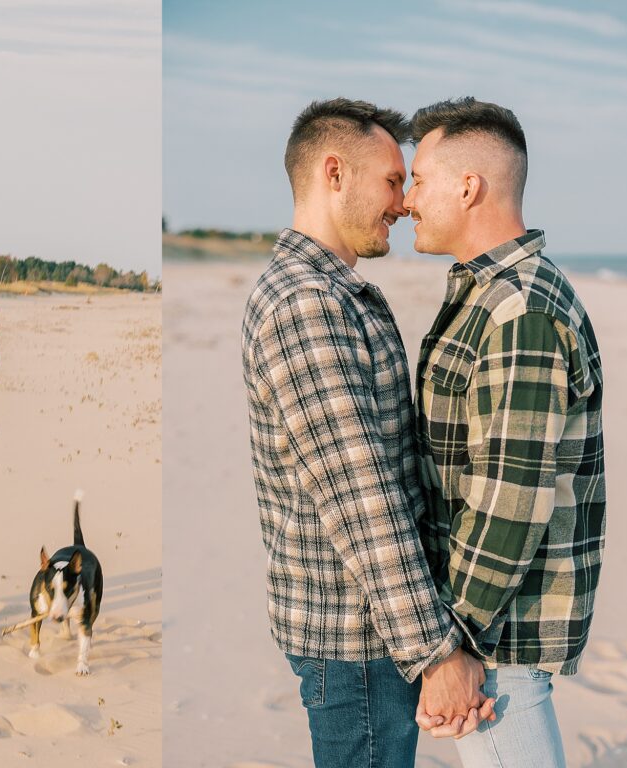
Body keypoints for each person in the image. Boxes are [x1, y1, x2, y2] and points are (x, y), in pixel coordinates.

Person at [241, 98, 493, 768]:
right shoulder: (307, 304)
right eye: (391, 180)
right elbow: (360, 496)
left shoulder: (329, 291)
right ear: (333, 174)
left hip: (369, 629)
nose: (403, 202)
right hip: (359, 638)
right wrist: (436, 654)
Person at [404, 97, 606, 766]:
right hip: (487, 629)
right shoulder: (489, 296)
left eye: (419, 180)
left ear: (469, 187)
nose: (409, 200)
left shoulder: (518, 311)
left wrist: (451, 646)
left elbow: (509, 502)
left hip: (498, 638)